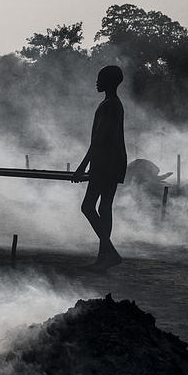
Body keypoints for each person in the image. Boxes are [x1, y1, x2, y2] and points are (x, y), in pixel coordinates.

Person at [72, 65, 128, 269]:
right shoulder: (114, 103)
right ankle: (104, 257)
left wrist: (82, 166)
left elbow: (98, 139)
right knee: (104, 207)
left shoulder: (109, 105)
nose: (97, 82)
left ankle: (109, 252)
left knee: (88, 206)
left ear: (109, 82)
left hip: (106, 162)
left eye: (100, 79)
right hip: (113, 160)